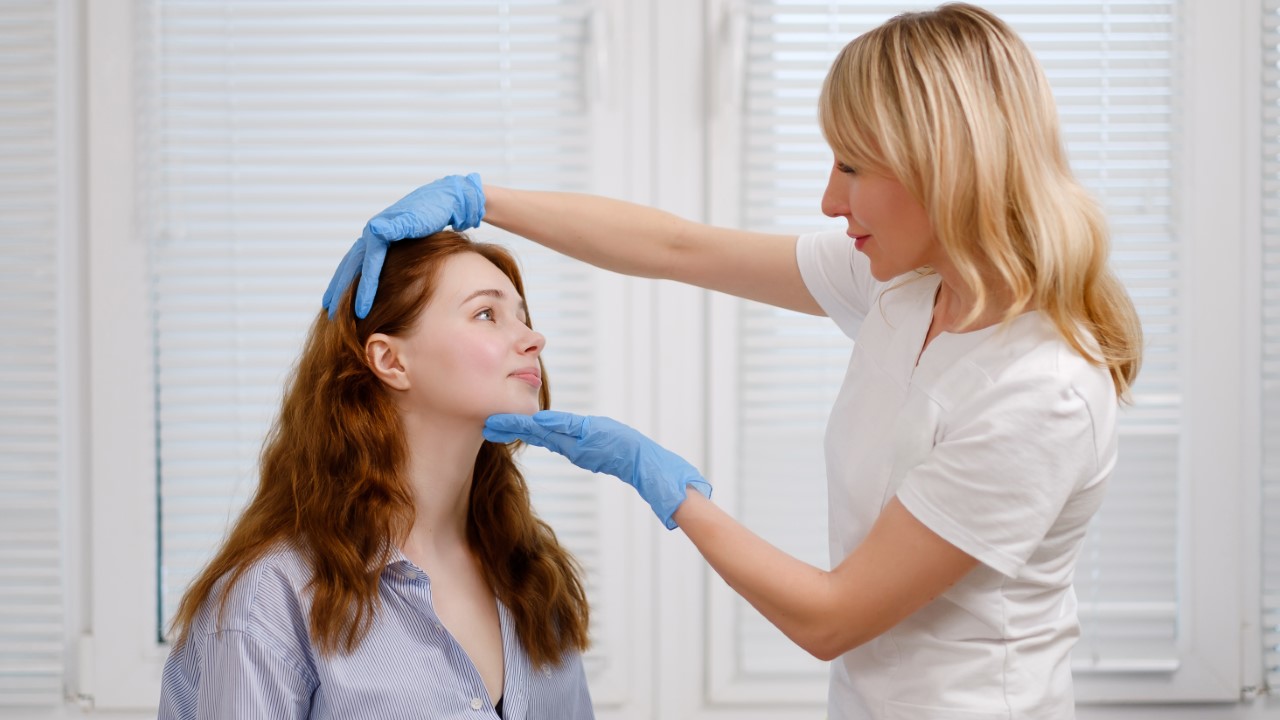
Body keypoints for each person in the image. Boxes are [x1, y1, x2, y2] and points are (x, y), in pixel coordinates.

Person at [324, 4, 1143, 718]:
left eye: (852, 166)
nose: (830, 199)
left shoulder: (1040, 394)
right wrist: (482, 197)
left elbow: (830, 618)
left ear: (942, 168)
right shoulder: (909, 285)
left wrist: (666, 485)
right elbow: (677, 246)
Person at [160, 230, 594, 719]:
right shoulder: (271, 597)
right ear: (390, 359)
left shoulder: (532, 576)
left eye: (523, 315)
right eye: (486, 314)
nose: (533, 338)